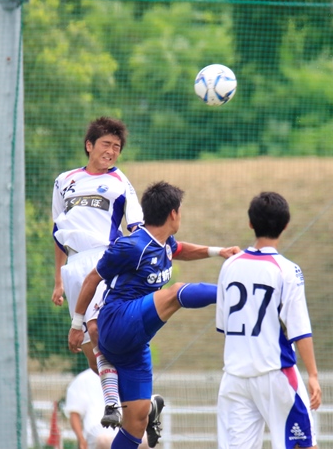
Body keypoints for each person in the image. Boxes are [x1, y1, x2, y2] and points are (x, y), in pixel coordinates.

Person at [68, 181, 240, 449]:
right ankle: (236, 294)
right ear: (173, 213)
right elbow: (92, 279)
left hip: (136, 342)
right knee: (175, 293)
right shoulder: (132, 246)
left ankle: (148, 408)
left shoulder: (164, 243)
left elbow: (178, 249)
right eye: (180, 210)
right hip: (116, 321)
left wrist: (218, 252)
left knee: (135, 424)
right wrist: (77, 324)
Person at [52, 117, 143, 426]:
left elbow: (136, 226)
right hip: (74, 266)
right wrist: (58, 280)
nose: (111, 151)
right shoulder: (64, 180)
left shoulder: (120, 182)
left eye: (117, 147)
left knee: (94, 327)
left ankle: (113, 405)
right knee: (93, 357)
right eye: (106, 144)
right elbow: (58, 232)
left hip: (105, 261)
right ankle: (142, 400)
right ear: (89, 145)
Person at [215, 191, 321, 449]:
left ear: (251, 223)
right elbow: (299, 329)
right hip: (275, 374)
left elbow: (224, 325)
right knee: (303, 445)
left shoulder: (229, 266)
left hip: (235, 377)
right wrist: (313, 375)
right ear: (285, 225)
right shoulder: (287, 270)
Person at [63, 368, 150, 449]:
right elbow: (74, 413)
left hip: (124, 427)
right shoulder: (82, 380)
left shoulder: (127, 375)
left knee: (144, 441)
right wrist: (81, 439)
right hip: (96, 432)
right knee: (104, 440)